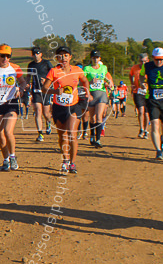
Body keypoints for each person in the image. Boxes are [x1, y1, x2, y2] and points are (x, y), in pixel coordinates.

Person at [42, 46, 90, 174]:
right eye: (60, 55)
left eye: (66, 55)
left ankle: (72, 163)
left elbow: (85, 80)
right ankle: (65, 160)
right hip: (59, 107)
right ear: (57, 58)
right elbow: (44, 88)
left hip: (74, 106)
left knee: (72, 134)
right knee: (62, 136)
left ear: (70, 57)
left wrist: (87, 93)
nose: (63, 58)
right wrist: (56, 91)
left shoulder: (77, 70)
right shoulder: (53, 71)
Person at [0, 44, 26, 170]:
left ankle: (13, 157)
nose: (5, 58)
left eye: (8, 56)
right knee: (1, 134)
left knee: (8, 131)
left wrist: (21, 90)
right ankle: (5, 159)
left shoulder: (15, 68)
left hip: (11, 102)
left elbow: (23, 82)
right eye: (3, 56)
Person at [82, 50, 114, 148]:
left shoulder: (104, 68)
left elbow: (106, 78)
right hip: (91, 94)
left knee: (99, 116)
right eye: (94, 57)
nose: (95, 59)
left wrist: (108, 84)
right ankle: (92, 135)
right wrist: (90, 81)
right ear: (91, 58)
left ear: (100, 58)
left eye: (97, 57)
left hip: (102, 94)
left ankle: (98, 139)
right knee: (92, 117)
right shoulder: (87, 68)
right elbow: (81, 81)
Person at [26, 47, 53, 141]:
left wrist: (46, 81)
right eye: (34, 54)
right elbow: (28, 76)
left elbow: (53, 74)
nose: (36, 55)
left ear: (41, 54)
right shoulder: (31, 65)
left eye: (37, 53)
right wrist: (26, 84)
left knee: (46, 113)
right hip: (36, 90)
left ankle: (48, 122)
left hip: (46, 90)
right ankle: (40, 134)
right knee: (38, 111)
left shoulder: (46, 63)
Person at [129, 53, 150, 138]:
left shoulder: (150, 68)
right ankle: (141, 129)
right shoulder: (135, 68)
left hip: (148, 92)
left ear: (148, 60)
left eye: (145, 61)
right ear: (139, 61)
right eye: (142, 61)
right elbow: (130, 75)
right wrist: (132, 83)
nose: (143, 63)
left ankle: (146, 130)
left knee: (146, 113)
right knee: (140, 111)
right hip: (138, 92)